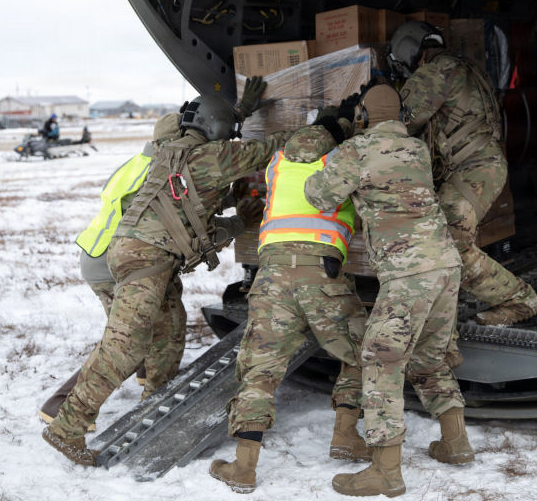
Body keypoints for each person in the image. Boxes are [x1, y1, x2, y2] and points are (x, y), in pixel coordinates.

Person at [42, 77, 287, 466]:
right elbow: (265, 149)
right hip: (143, 260)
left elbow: (196, 225)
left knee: (171, 331)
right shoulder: (208, 158)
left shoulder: (171, 152)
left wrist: (239, 112)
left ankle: (153, 405)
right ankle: (67, 427)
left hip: (144, 257)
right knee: (125, 347)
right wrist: (326, 126)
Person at [305, 85, 473, 498]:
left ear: (363, 114)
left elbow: (318, 194)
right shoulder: (415, 149)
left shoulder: (359, 149)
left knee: (381, 359)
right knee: (429, 360)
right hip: (445, 266)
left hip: (408, 272)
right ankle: (455, 443)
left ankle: (385, 470)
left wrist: (334, 147)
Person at [210, 107, 370, 494]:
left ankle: (244, 466)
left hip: (273, 271)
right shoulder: (343, 160)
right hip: (323, 270)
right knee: (358, 351)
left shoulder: (277, 162)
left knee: (260, 365)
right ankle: (346, 435)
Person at [390, 21, 537, 327]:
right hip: (480, 165)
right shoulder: (470, 69)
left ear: (408, 51)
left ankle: (519, 299)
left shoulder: (434, 73)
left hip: (472, 168)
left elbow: (400, 123)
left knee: (448, 243)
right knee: (442, 241)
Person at [38, 134, 161, 427]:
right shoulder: (162, 170)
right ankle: (60, 404)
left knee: (134, 330)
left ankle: (144, 369)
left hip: (96, 252)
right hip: (113, 261)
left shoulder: (136, 162)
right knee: (123, 342)